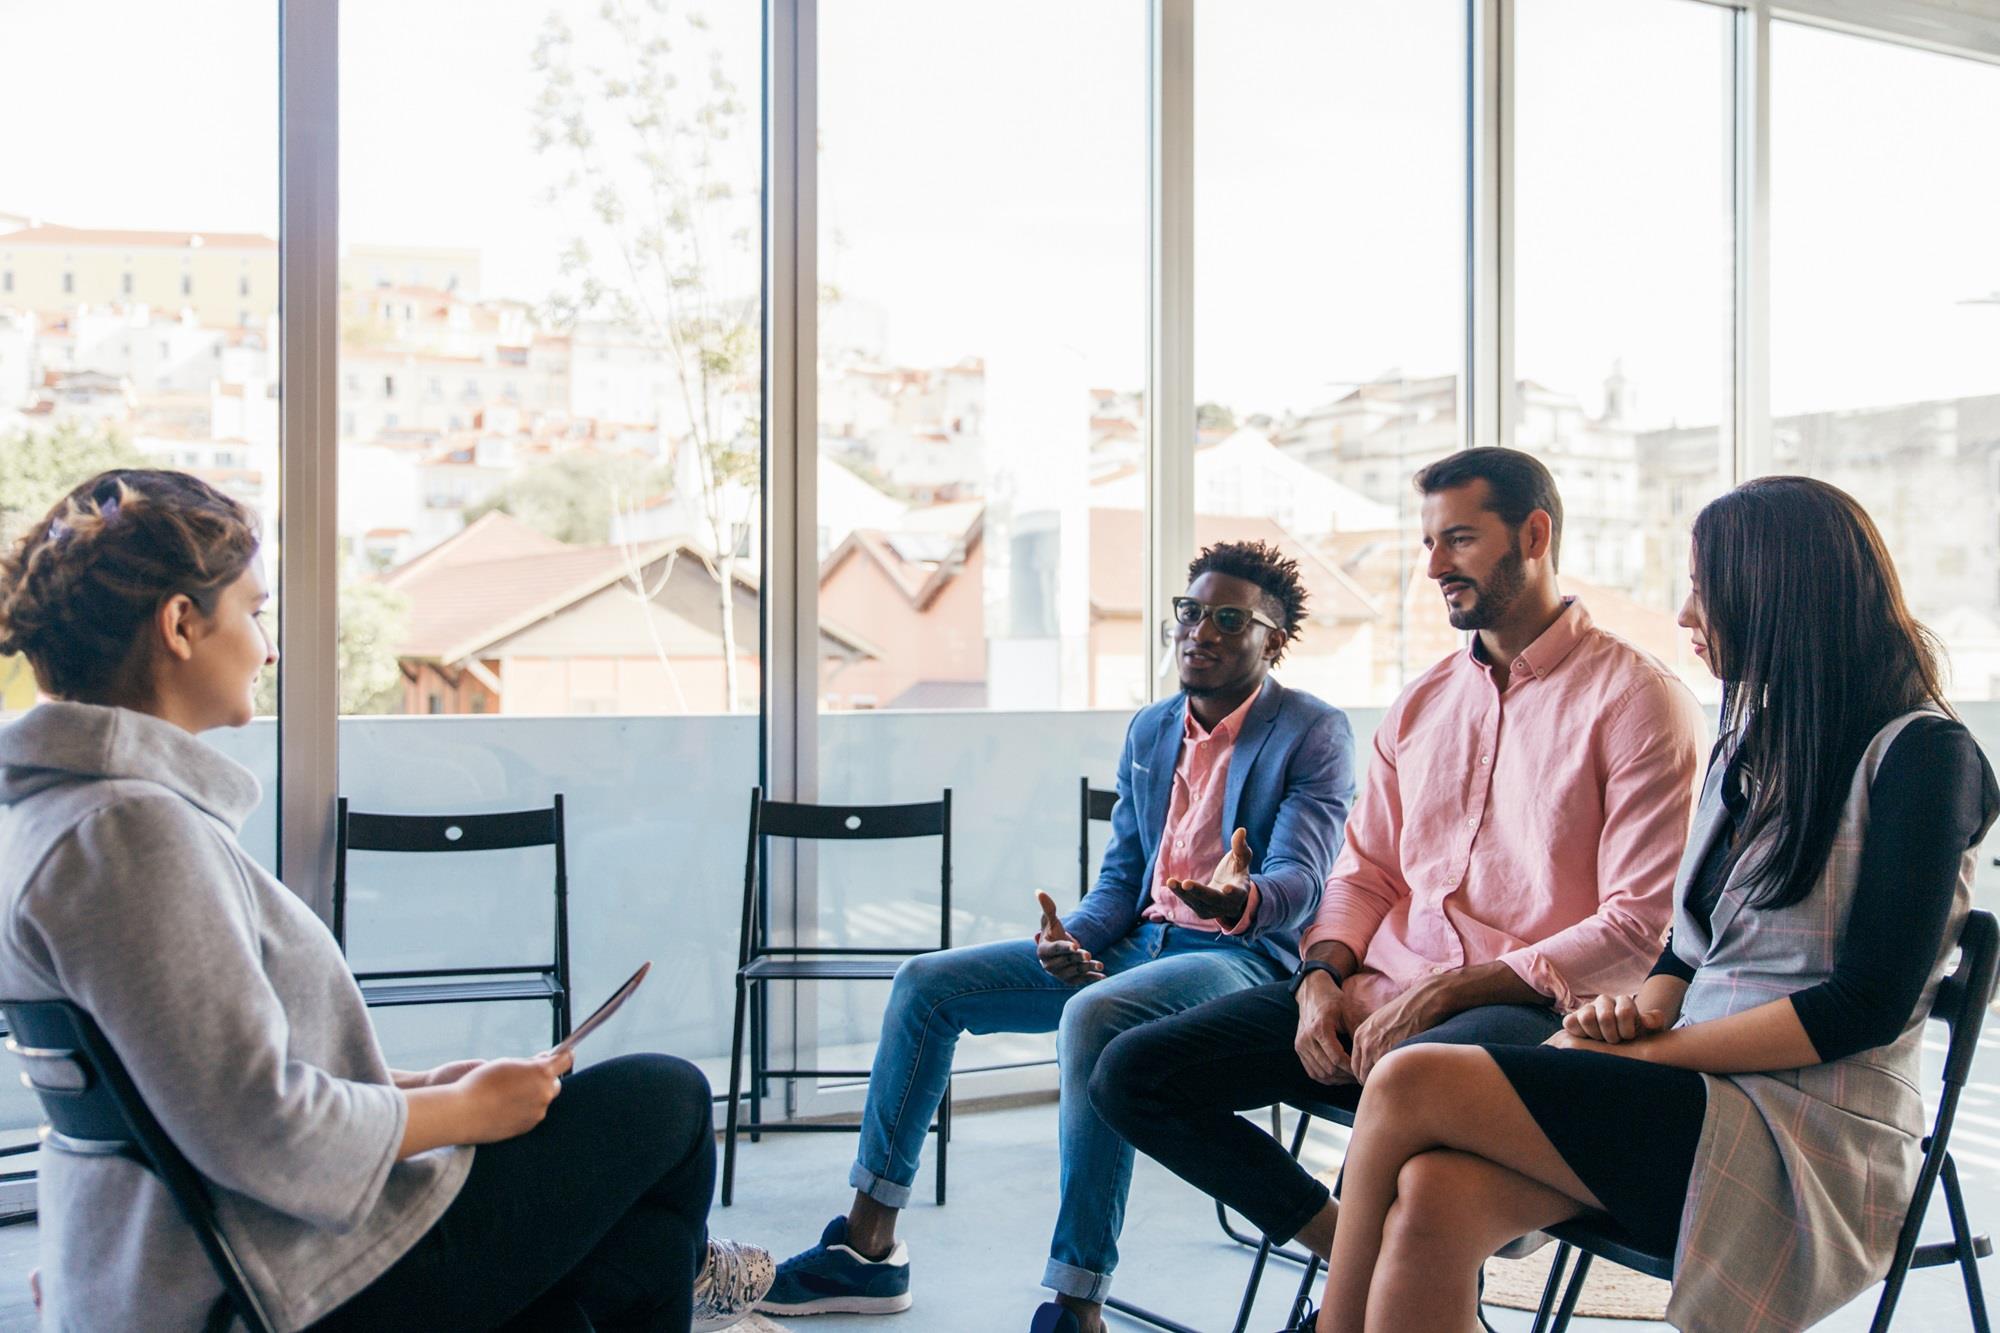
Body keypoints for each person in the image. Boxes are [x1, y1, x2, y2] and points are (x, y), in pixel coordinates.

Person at [0, 469, 774, 1333]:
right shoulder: (129, 837)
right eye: (256, 612)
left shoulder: (72, 818)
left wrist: (419, 1083)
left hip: (240, 1251)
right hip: (280, 1283)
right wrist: (460, 1110)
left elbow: (199, 1080)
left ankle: (686, 1288)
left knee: (647, 1257)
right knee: (666, 1099)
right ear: (181, 624)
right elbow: (260, 1128)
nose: (271, 646)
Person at [1302, 475, 1999, 1333]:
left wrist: (1656, 1054)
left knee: (1409, 1077)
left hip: (1808, 1137)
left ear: (1774, 591)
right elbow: (1687, 946)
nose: (1684, 614)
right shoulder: (1754, 736)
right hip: (1705, 1094)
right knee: (1434, 1193)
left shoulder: (1927, 757)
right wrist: (1641, 1013)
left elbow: (1868, 1005)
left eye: (1705, 588)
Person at [1093, 447, 1704, 1278]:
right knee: (1133, 1072)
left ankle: (1349, 1303)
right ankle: (1355, 1264)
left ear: (1534, 533)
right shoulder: (1420, 701)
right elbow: (1365, 871)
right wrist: (1317, 979)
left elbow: (1637, 927)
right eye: (1428, 543)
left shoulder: (1636, 699)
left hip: (1525, 1009)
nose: (1434, 566)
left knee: (1409, 1097)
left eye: (1458, 539)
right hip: (1378, 989)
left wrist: (1447, 992)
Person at [757, 541, 1355, 1333]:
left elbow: (1301, 883)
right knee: (926, 984)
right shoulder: (1151, 731)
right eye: (1190, 611)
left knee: (1094, 1016)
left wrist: (1235, 899)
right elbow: (1122, 881)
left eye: (1229, 618)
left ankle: (1078, 1301)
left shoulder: (1312, 731)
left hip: (1234, 960)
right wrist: (1069, 939)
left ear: (1272, 638)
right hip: (1137, 945)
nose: (1199, 630)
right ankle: (866, 1250)